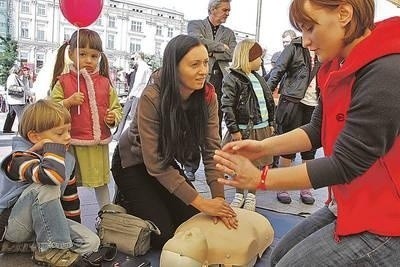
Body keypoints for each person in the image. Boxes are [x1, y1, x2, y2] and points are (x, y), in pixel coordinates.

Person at [214, 0, 400, 265]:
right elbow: (316, 129)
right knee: (278, 256)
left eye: (310, 28)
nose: (306, 41)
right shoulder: (335, 65)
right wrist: (263, 147)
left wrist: (261, 178)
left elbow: (345, 164)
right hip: (351, 201)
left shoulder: (385, 70)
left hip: (387, 220)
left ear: (344, 13)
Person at [111, 34, 237, 249]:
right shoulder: (152, 96)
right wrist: (202, 202)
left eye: (206, 62)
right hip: (132, 163)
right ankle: (127, 200)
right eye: (194, 64)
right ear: (174, 67)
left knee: (192, 220)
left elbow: (211, 150)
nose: (204, 71)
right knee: (164, 235)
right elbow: (154, 163)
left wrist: (219, 204)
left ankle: (152, 201)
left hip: (165, 163)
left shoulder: (208, 97)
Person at [0, 99, 99, 266]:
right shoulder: (18, 158)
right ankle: (52, 250)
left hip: (45, 223)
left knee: (91, 242)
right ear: (34, 137)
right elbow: (51, 176)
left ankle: (29, 247)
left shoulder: (67, 160)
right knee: (47, 187)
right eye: (60, 133)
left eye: (69, 130)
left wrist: (74, 229)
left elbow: (70, 201)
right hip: (14, 225)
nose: (68, 137)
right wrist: (49, 147)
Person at [50, 29, 123, 209]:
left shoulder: (105, 83)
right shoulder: (64, 81)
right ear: (70, 53)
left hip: (98, 146)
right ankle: (61, 214)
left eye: (94, 55)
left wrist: (112, 117)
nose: (89, 60)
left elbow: (116, 107)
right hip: (70, 144)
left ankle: (107, 216)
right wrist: (67, 102)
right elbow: (50, 109)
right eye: (82, 54)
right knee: (66, 182)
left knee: (101, 182)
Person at [266, 29, 319, 205]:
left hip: (314, 104)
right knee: (288, 147)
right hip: (292, 101)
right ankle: (282, 186)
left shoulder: (324, 47)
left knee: (310, 148)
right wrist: (266, 99)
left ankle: (306, 188)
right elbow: (278, 70)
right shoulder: (294, 47)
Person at [221, 39, 275, 211]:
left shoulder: (258, 78)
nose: (261, 61)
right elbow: (227, 105)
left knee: (257, 163)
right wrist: (234, 129)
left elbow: (268, 102)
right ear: (248, 58)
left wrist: (271, 123)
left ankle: (251, 195)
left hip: (262, 128)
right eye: (259, 57)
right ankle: (238, 194)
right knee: (239, 163)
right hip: (243, 130)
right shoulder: (233, 78)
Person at [186, 0, 237, 180]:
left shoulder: (229, 33)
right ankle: (190, 166)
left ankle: (216, 164)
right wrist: (220, 47)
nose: (228, 13)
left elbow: (232, 53)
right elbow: (195, 42)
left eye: (229, 10)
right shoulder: (195, 25)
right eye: (225, 10)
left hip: (220, 82)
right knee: (193, 123)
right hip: (199, 81)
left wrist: (210, 50)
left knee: (215, 126)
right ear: (213, 9)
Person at [113, 52, 151, 140]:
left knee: (133, 116)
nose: (132, 61)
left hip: (136, 94)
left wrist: (131, 94)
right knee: (127, 114)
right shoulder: (144, 67)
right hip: (138, 94)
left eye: (133, 59)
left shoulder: (142, 67)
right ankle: (118, 134)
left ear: (137, 57)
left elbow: (138, 82)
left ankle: (135, 136)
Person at [2, 65, 31, 134]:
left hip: (13, 100)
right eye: (20, 70)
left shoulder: (15, 77)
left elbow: (25, 85)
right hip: (17, 100)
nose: (21, 72)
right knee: (21, 115)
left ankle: (6, 129)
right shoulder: (13, 77)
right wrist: (21, 89)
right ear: (17, 70)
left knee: (11, 115)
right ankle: (22, 130)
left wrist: (25, 78)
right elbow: (11, 87)